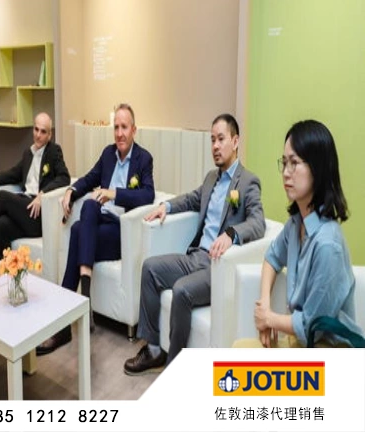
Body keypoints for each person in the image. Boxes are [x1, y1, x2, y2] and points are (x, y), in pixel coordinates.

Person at [124, 113, 266, 375]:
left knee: (182, 290)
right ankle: (154, 349)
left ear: (235, 141)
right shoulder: (212, 177)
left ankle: (174, 368)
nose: (215, 146)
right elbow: (191, 199)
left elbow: (258, 223)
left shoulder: (248, 182)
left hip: (217, 266)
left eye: (221, 139)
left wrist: (231, 233)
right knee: (150, 268)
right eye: (212, 140)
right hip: (195, 256)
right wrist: (165, 206)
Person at [36, 103, 155, 355]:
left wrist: (114, 193)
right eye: (116, 127)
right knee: (88, 208)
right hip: (98, 224)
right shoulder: (108, 154)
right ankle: (84, 296)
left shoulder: (144, 158)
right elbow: (89, 178)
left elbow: (148, 195)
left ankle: (64, 323)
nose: (119, 133)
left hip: (120, 232)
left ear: (134, 130)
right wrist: (71, 191)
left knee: (78, 231)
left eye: (124, 127)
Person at [233, 120, 364, 348]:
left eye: (294, 163)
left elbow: (310, 325)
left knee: (240, 357)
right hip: (303, 342)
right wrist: (264, 304)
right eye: (284, 163)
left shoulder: (328, 245)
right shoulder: (296, 224)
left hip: (329, 349)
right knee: (239, 349)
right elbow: (272, 258)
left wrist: (269, 319)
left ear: (318, 168)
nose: (286, 173)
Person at [0, 112, 70, 260]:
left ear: (49, 135)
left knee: (3, 197)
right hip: (24, 209)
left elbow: (64, 177)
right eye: (36, 129)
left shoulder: (54, 151)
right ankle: (6, 271)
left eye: (43, 132)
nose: (38, 135)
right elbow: (14, 173)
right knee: (0, 225)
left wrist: (42, 194)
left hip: (38, 215)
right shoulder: (28, 153)